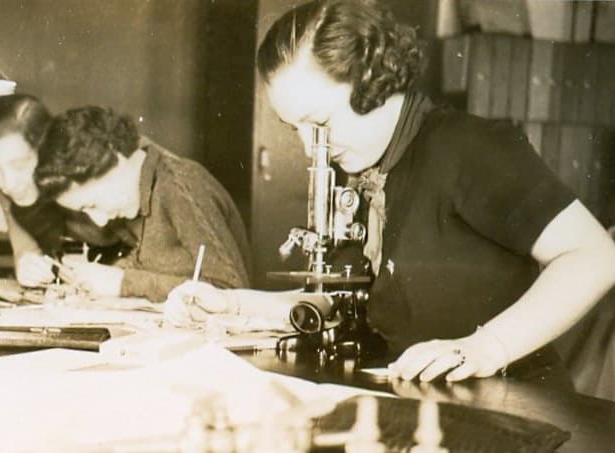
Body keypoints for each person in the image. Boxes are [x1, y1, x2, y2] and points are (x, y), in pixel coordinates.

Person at [166, 0, 615, 383]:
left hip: (514, 403)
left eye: (319, 122)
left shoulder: (468, 147)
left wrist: (486, 348)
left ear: (373, 82)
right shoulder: (365, 168)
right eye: (293, 128)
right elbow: (343, 303)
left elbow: (595, 255)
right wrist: (230, 304)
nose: (309, 148)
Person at [34, 105, 251, 303]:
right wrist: (95, 279)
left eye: (92, 205)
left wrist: (124, 283)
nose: (100, 222)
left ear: (115, 161)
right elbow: (159, 264)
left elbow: (230, 290)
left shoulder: (180, 186)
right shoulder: (135, 197)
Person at [0, 94, 123, 287]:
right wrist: (25, 259)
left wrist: (122, 277)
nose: (8, 183)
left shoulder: (88, 176)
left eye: (19, 165)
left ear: (47, 151)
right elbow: (21, 233)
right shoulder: (8, 183)